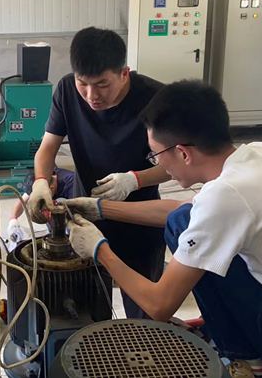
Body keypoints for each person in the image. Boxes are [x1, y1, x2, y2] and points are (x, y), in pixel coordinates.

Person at [64, 80, 262, 377]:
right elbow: (186, 213)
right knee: (183, 222)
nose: (158, 164)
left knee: (184, 231)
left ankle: (249, 363)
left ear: (183, 153)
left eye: (156, 156)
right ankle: (245, 342)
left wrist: (99, 249)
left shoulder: (225, 197)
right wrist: (100, 208)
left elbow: (159, 305)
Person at [26, 26, 171, 319]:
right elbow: (47, 147)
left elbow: (176, 164)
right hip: (86, 215)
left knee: (144, 315)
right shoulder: (67, 91)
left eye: (103, 84)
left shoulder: (156, 99)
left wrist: (135, 180)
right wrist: (41, 182)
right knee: (88, 311)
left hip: (140, 220)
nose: (92, 96)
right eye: (83, 83)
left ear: (124, 73)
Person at [6, 168, 76, 248]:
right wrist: (13, 221)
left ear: (51, 188)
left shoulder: (72, 185)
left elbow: (80, 212)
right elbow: (22, 202)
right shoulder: (39, 183)